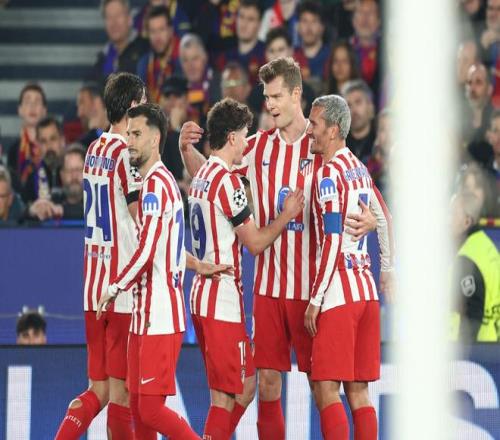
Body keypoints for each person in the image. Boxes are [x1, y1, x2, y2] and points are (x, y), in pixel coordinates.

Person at [179, 56, 381, 439]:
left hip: (311, 290)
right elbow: (215, 181)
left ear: (296, 94)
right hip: (269, 288)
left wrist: (370, 220)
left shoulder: (321, 144)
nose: (269, 104)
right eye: (266, 97)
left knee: (322, 387)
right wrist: (189, 152)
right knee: (267, 384)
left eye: (275, 96)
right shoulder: (257, 147)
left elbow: (360, 191)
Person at [97, 103, 226, 439]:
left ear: (155, 139)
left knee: (151, 410)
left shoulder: (155, 186)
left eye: (136, 134)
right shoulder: (155, 183)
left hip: (160, 316)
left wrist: (114, 287)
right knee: (139, 406)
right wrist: (197, 264)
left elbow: (147, 250)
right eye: (128, 134)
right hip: (144, 316)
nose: (129, 142)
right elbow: (167, 249)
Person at [188, 98, 305, 439]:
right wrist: (286, 215)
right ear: (233, 137)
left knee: (238, 389)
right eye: (244, 136)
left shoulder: (201, 177)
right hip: (221, 300)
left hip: (201, 297)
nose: (246, 143)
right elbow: (254, 243)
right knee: (232, 394)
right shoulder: (228, 182)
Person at [55, 72, 147, 440]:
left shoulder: (94, 149)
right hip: (120, 290)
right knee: (121, 394)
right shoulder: (126, 153)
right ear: (133, 106)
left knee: (100, 389)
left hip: (93, 289)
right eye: (144, 104)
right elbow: (140, 216)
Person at [304, 94, 394, 440]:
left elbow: (331, 240)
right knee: (359, 393)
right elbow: (385, 218)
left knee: (326, 389)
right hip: (366, 294)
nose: (309, 131)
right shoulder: (359, 167)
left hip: (338, 294)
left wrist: (315, 299)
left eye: (314, 124)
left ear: (333, 130)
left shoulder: (328, 175)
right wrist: (387, 270)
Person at [450, 190, 500, 342]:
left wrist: (464, 353)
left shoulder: (468, 257)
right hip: (493, 344)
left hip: (476, 350)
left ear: (466, 222)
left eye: (453, 213)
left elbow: (471, 318)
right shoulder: (488, 248)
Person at [89, 0, 149, 86]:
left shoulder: (145, 48)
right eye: (109, 17)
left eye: (118, 15)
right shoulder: (103, 56)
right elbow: (91, 85)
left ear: (129, 19)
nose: (114, 22)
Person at [7, 83, 48, 203]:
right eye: (27, 101)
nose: (32, 106)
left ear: (44, 110)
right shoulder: (13, 150)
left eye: (37, 101)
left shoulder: (50, 147)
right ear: (20, 110)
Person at [27, 144, 85, 221]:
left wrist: (61, 210)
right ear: (62, 175)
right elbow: (20, 220)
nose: (74, 176)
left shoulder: (97, 202)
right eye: (69, 170)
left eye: (78, 170)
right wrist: (31, 211)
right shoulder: (53, 199)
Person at [136, 5, 180, 103]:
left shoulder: (183, 58)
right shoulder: (144, 64)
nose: (157, 37)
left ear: (170, 30)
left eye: (161, 30)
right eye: (153, 31)